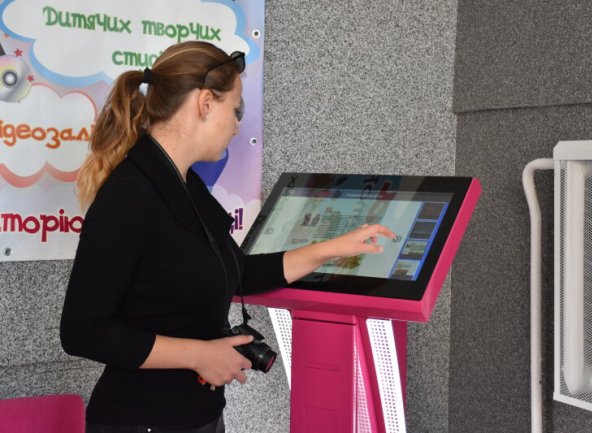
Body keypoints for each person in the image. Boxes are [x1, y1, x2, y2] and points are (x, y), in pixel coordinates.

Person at [60, 40, 395, 433]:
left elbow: (238, 273)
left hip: (199, 416)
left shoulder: (185, 185)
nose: (238, 126)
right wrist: (200, 355)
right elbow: (83, 331)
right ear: (205, 103)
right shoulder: (130, 193)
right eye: (235, 110)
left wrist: (334, 248)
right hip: (142, 421)